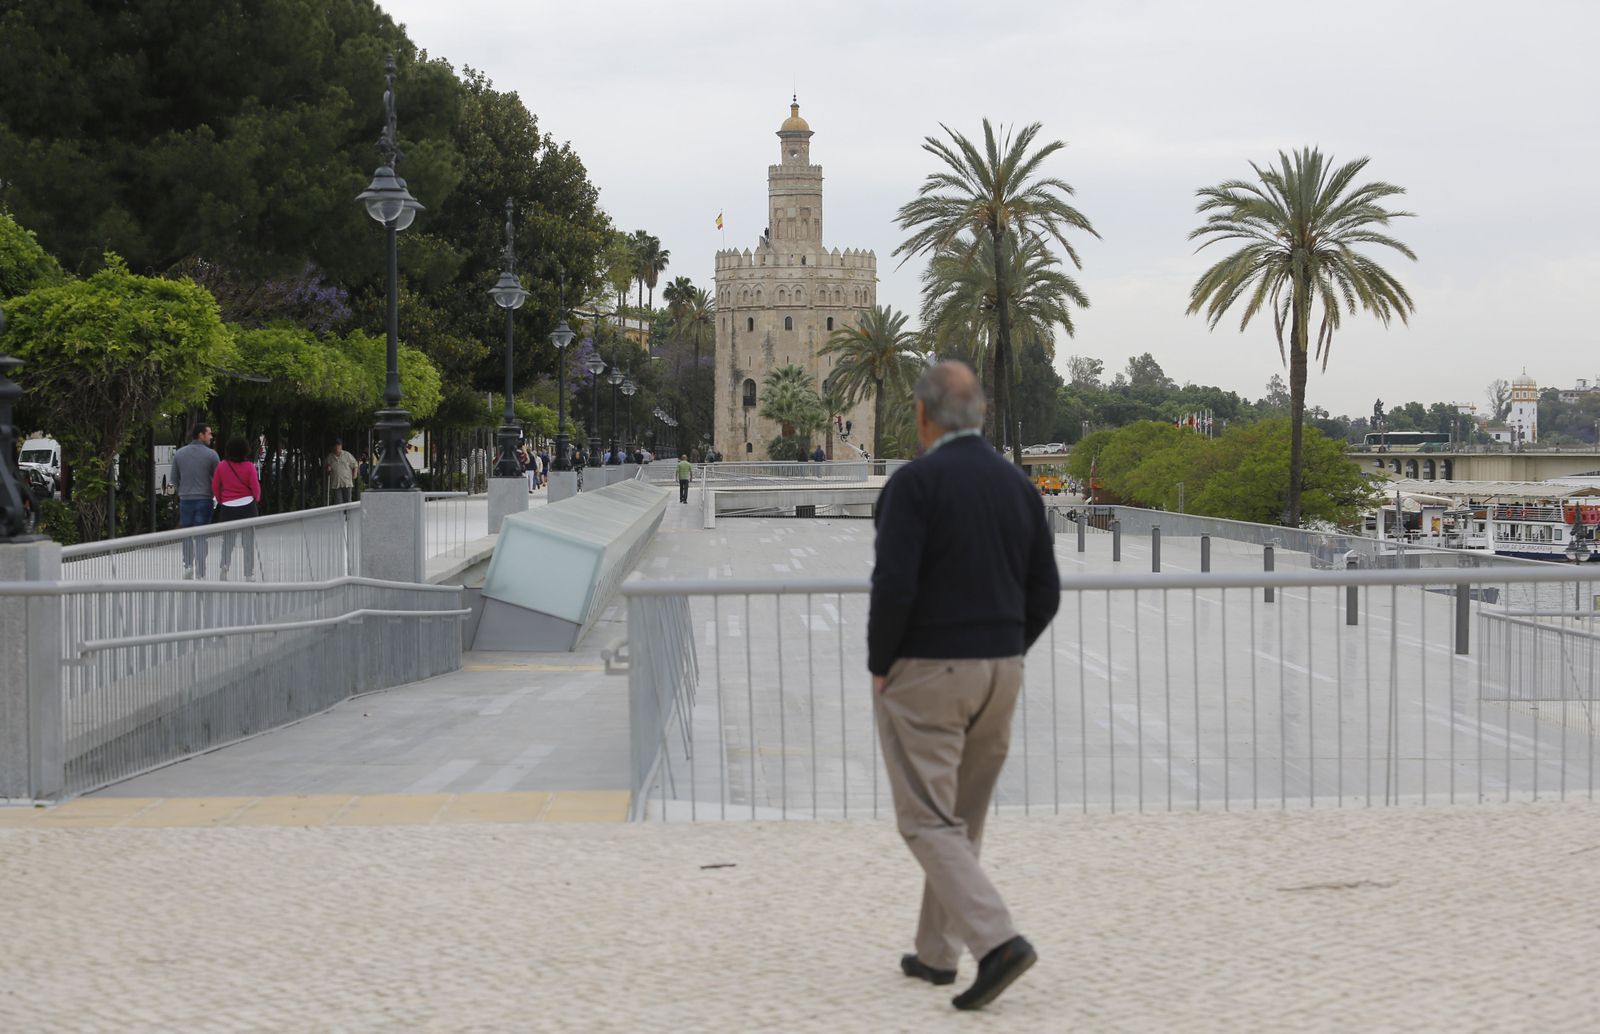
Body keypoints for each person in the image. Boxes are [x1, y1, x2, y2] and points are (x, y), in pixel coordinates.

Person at [867, 360, 1059, 1011]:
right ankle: (935, 953)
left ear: (922, 416)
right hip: (1002, 671)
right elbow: (1046, 592)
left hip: (928, 671)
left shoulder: (914, 486)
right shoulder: (1019, 488)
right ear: (977, 416)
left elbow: (893, 586)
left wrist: (880, 664)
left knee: (925, 818)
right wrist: (1004, 648)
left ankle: (997, 940)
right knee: (961, 819)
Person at [172, 422, 219, 579]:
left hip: (186, 499)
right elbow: (218, 478)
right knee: (201, 534)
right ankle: (201, 569)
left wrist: (182, 491)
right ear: (201, 435)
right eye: (209, 433)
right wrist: (215, 495)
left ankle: (188, 565)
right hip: (204, 498)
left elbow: (173, 478)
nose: (211, 437)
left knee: (187, 532)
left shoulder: (179, 454)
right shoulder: (212, 455)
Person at [211, 436, 262, 581]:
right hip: (247, 506)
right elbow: (255, 487)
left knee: (227, 540)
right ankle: (248, 574)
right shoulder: (249, 466)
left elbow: (215, 486)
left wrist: (222, 500)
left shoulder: (221, 466)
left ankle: (225, 566)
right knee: (248, 541)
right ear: (245, 450)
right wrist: (256, 499)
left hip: (228, 507)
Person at [325, 437, 358, 504]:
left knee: (348, 502)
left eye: (339, 445)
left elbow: (355, 464)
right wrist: (328, 468)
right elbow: (326, 467)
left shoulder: (347, 455)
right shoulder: (330, 457)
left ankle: (348, 514)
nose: (337, 447)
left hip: (347, 482)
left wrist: (355, 474)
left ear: (341, 446)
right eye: (336, 445)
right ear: (333, 447)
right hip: (336, 483)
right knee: (338, 503)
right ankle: (341, 514)